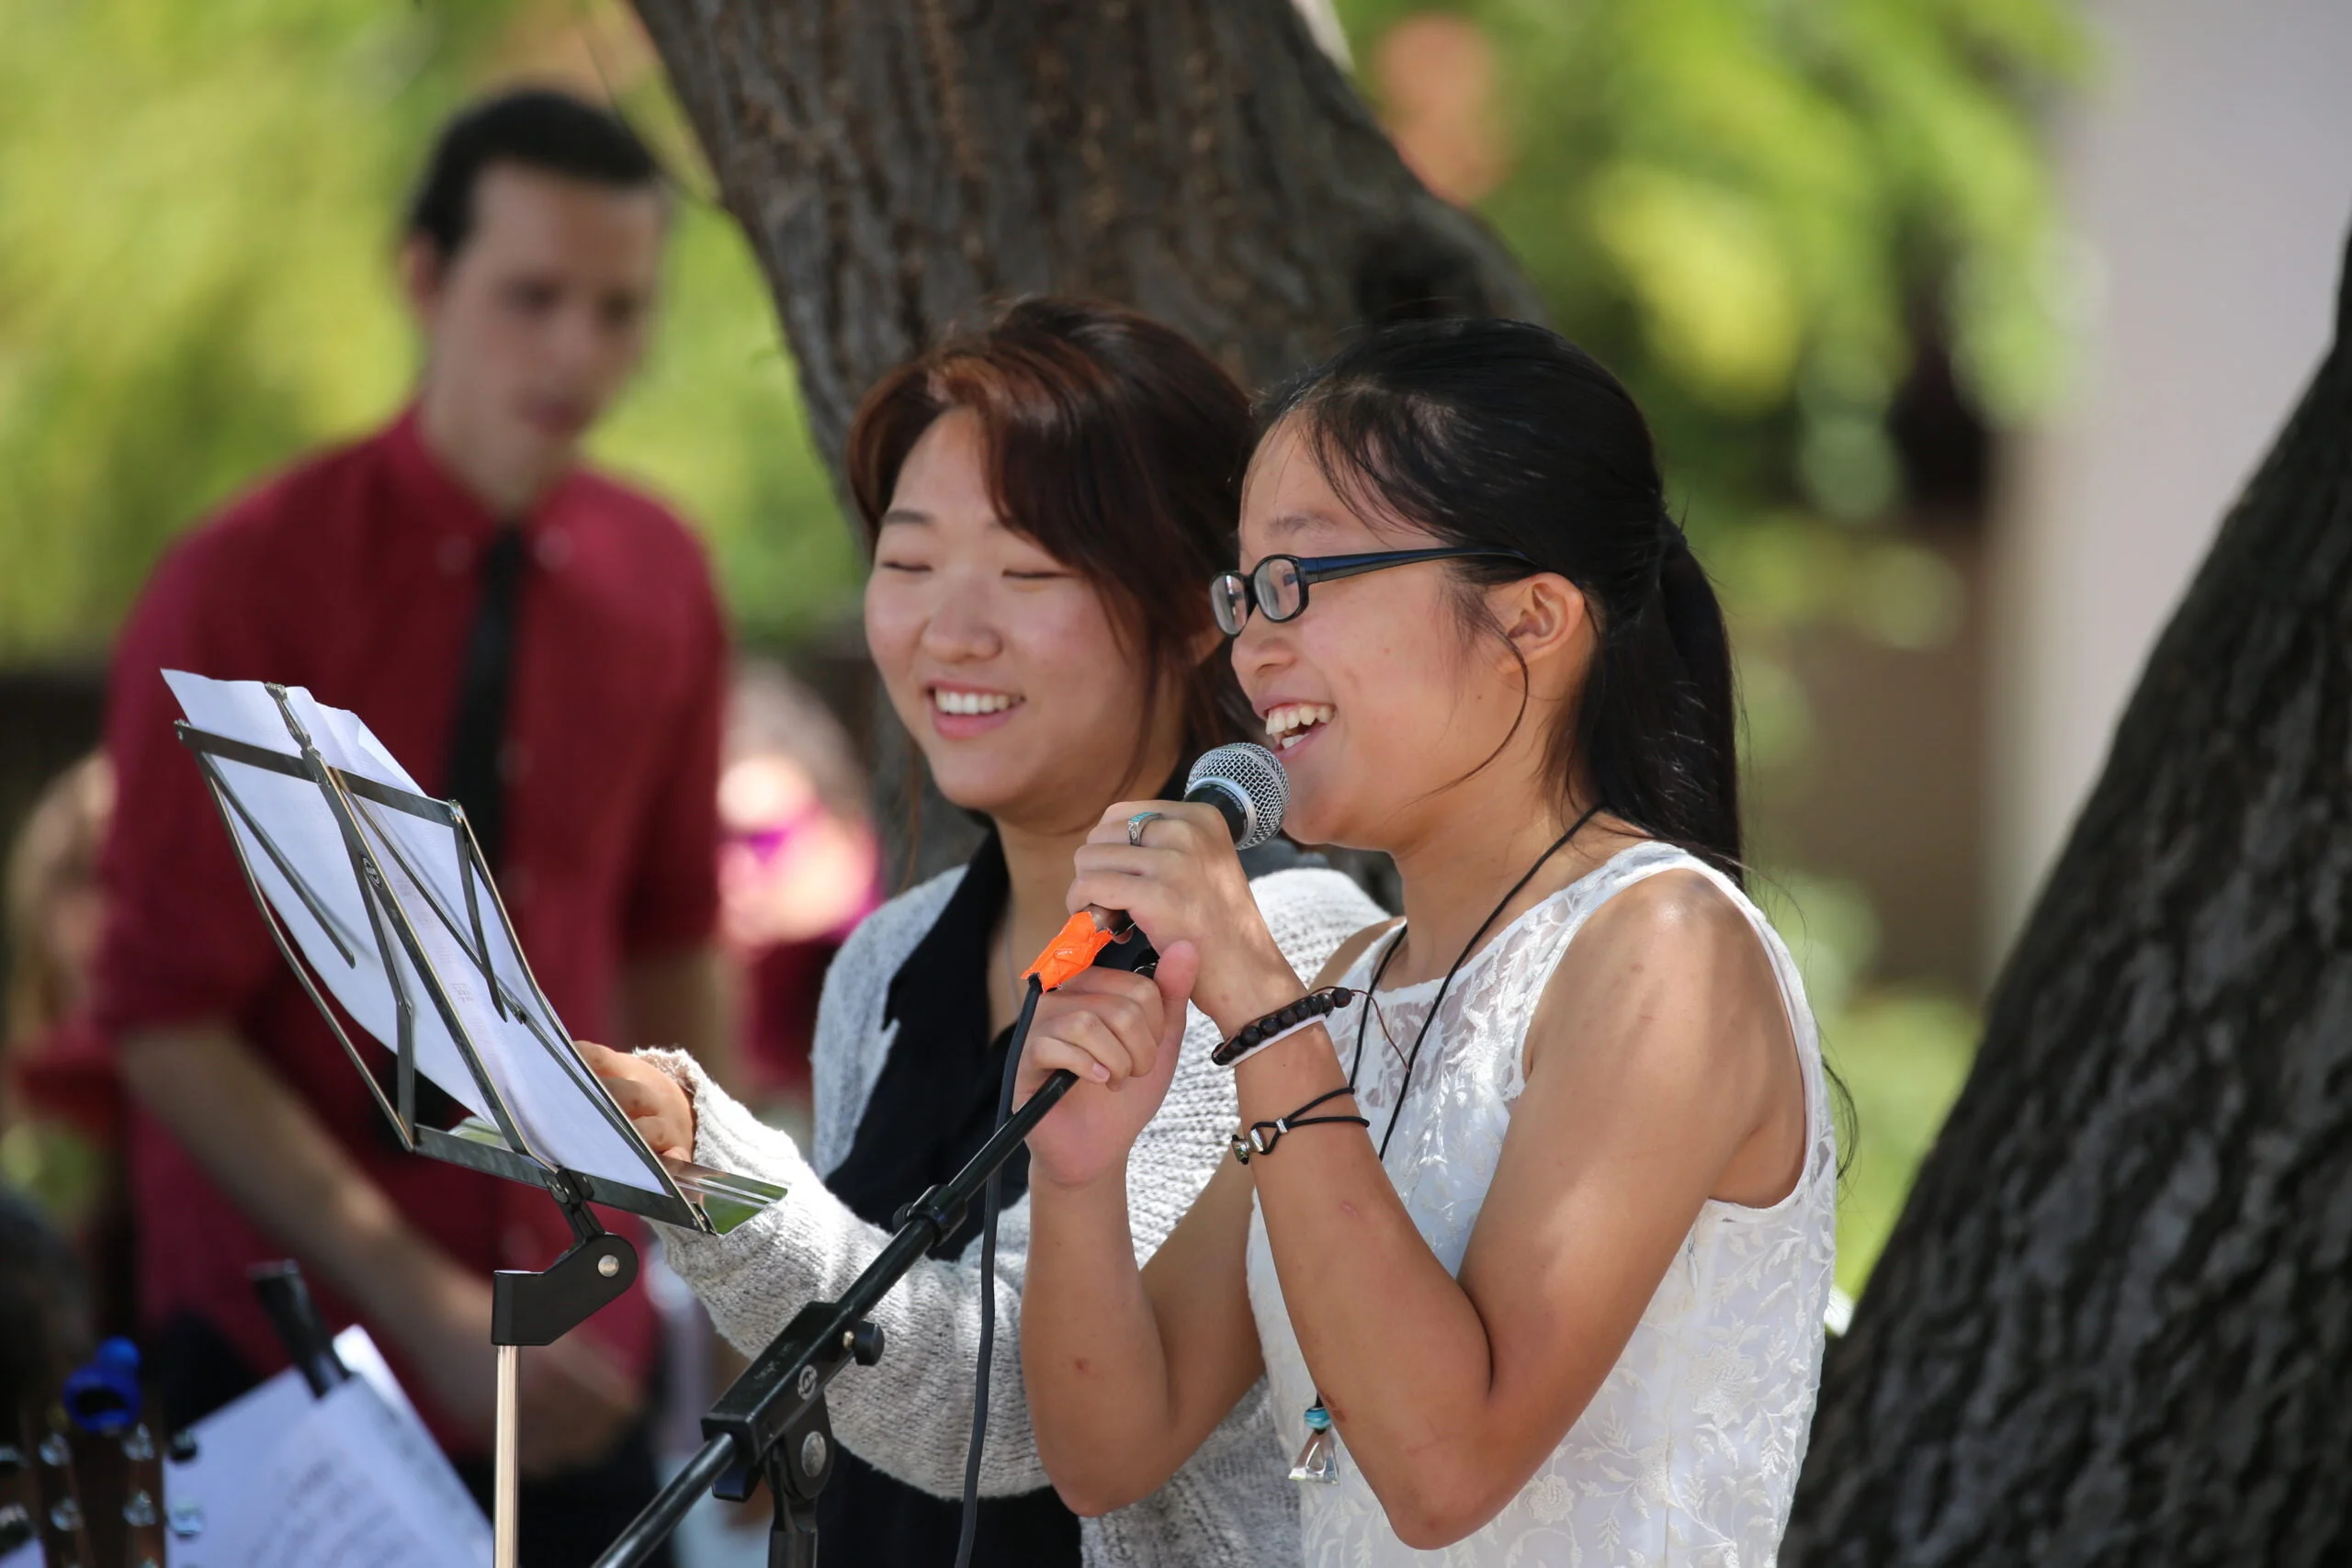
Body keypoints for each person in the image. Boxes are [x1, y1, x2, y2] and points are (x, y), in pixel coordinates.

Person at [1012, 318, 1838, 1564]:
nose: (1253, 645)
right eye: (1243, 592)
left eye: (1301, 579)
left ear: (1533, 619)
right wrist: (1074, 1178)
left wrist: (1256, 1002)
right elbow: (1105, 1451)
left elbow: (1445, 1470)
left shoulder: (1665, 945)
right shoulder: (1351, 989)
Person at [583, 298, 1384, 1568]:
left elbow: (1022, 1404)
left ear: (1195, 611)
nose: (950, 629)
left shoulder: (1296, 966)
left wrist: (711, 1171)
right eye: (907, 565)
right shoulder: (885, 962)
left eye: (1027, 573)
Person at [90, 88, 729, 1565]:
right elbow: (162, 1016)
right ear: (424, 279)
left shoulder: (663, 576)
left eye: (620, 308)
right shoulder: (237, 584)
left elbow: (676, 938)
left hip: (584, 1351)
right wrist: (426, 1310)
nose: (579, 349)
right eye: (533, 297)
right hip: (283, 1361)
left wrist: (719, 1267)